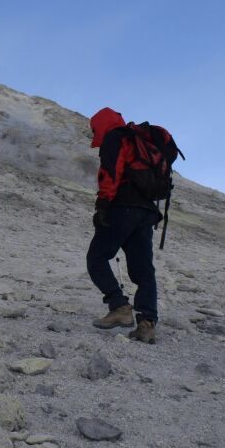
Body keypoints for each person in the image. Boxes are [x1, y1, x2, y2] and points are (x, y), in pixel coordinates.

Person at [86, 107, 161, 344]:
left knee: (96, 257)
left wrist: (103, 205)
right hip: (146, 211)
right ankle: (147, 323)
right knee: (144, 270)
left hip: (123, 207)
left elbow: (111, 171)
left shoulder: (115, 137)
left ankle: (119, 307)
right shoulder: (138, 140)